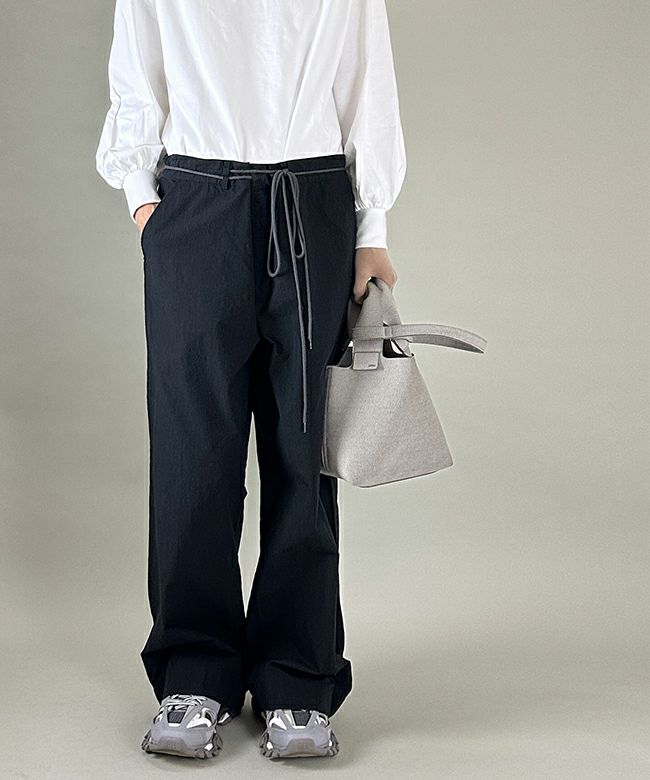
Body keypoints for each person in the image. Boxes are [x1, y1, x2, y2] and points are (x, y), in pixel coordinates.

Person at [95, 0, 406, 760]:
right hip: (195, 203)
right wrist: (144, 200)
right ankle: (193, 672)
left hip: (312, 200)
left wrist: (372, 228)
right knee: (191, 452)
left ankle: (298, 677)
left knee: (306, 449)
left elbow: (367, 80)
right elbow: (137, 71)